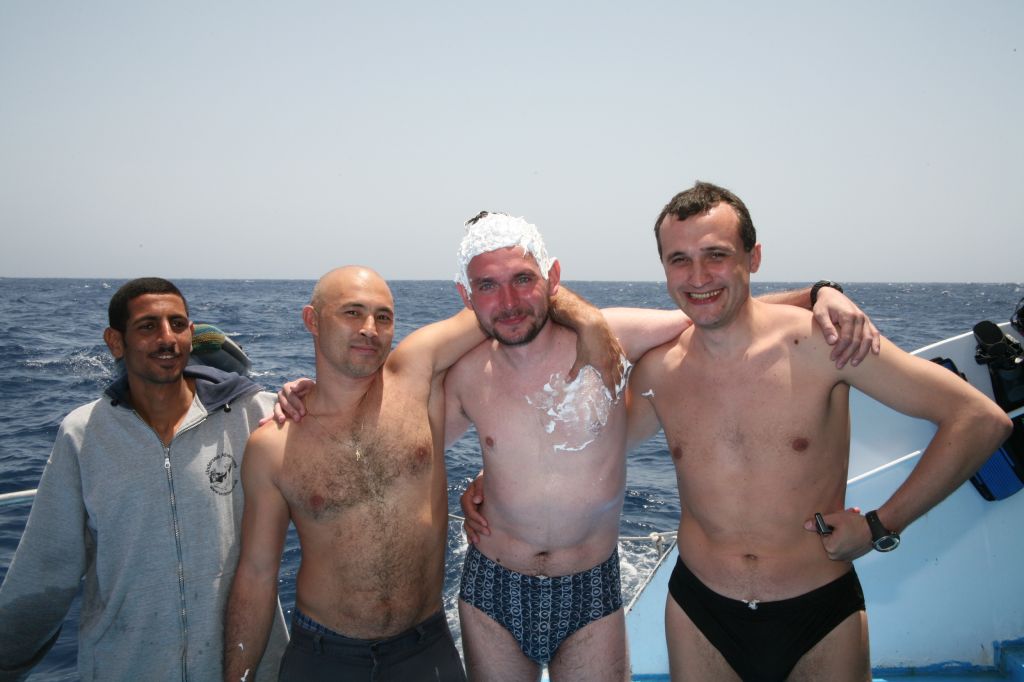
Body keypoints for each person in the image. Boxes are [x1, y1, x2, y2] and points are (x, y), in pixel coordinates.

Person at [447, 211, 881, 682]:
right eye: (487, 285)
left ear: (551, 278)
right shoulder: (465, 372)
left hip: (589, 587)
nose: (509, 301)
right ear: (466, 295)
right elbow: (422, 459)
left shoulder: (612, 333)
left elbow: (714, 311)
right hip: (492, 585)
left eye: (522, 279)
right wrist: (496, 474)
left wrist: (819, 293)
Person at [627, 181, 1012, 681]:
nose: (698, 276)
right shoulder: (659, 372)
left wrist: (880, 526)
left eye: (716, 255)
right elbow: (589, 449)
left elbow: (979, 419)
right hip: (699, 611)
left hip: (819, 612)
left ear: (753, 257)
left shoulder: (824, 343)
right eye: (679, 260)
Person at [222, 266, 615, 682]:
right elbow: (256, 575)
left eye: (383, 317)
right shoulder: (272, 447)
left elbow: (506, 301)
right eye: (352, 313)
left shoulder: (416, 373)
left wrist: (588, 320)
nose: (369, 329)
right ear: (312, 320)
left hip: (424, 649)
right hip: (324, 655)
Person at [0, 277, 288, 681]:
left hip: (248, 670)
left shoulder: (256, 415)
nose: (166, 338)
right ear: (115, 342)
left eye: (177, 324)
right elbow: (47, 567)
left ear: (191, 333)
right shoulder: (83, 435)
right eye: (148, 326)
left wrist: (303, 394)